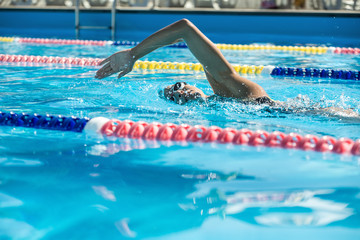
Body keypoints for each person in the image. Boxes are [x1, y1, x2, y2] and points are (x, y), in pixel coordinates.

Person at [95, 19, 273, 105]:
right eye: (173, 97)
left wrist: (133, 54)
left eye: (177, 86)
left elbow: (184, 29)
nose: (180, 93)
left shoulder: (227, 87)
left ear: (190, 83)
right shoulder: (215, 107)